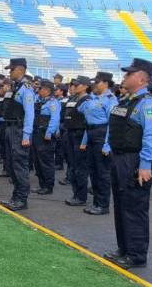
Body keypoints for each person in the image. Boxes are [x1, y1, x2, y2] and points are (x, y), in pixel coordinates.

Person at [102, 58, 152, 270]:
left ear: (141, 79)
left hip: (134, 160)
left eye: (129, 74)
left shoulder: (147, 104)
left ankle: (136, 255)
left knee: (134, 208)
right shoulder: (126, 101)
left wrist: (146, 165)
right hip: (119, 158)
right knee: (121, 205)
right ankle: (124, 249)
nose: (125, 76)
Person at [0, 58, 35, 211]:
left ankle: (21, 199)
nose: (10, 72)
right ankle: (16, 196)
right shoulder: (16, 87)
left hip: (19, 130)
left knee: (20, 166)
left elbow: (29, 113)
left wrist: (26, 135)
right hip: (10, 127)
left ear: (20, 69)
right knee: (12, 165)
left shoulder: (26, 88)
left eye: (12, 70)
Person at [80, 72, 118, 215]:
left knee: (102, 172)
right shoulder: (94, 98)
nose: (94, 84)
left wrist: (107, 144)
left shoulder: (110, 100)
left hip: (102, 135)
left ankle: (103, 205)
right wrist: (84, 140)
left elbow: (112, 124)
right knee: (93, 171)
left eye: (97, 82)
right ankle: (96, 202)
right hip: (91, 133)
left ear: (106, 83)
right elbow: (86, 117)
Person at [64, 76, 92, 207]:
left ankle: (81, 196)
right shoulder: (74, 98)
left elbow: (88, 122)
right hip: (70, 133)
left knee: (80, 167)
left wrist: (84, 141)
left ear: (85, 86)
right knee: (73, 165)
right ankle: (76, 194)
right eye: (74, 85)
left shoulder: (88, 100)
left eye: (77, 85)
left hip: (80, 134)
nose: (74, 87)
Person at [33, 81, 61, 194]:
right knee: (38, 161)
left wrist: (49, 133)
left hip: (45, 135)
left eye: (40, 89)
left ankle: (48, 186)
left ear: (47, 90)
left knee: (46, 162)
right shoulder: (40, 101)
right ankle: (42, 184)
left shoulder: (53, 103)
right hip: (37, 134)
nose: (38, 90)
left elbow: (55, 119)